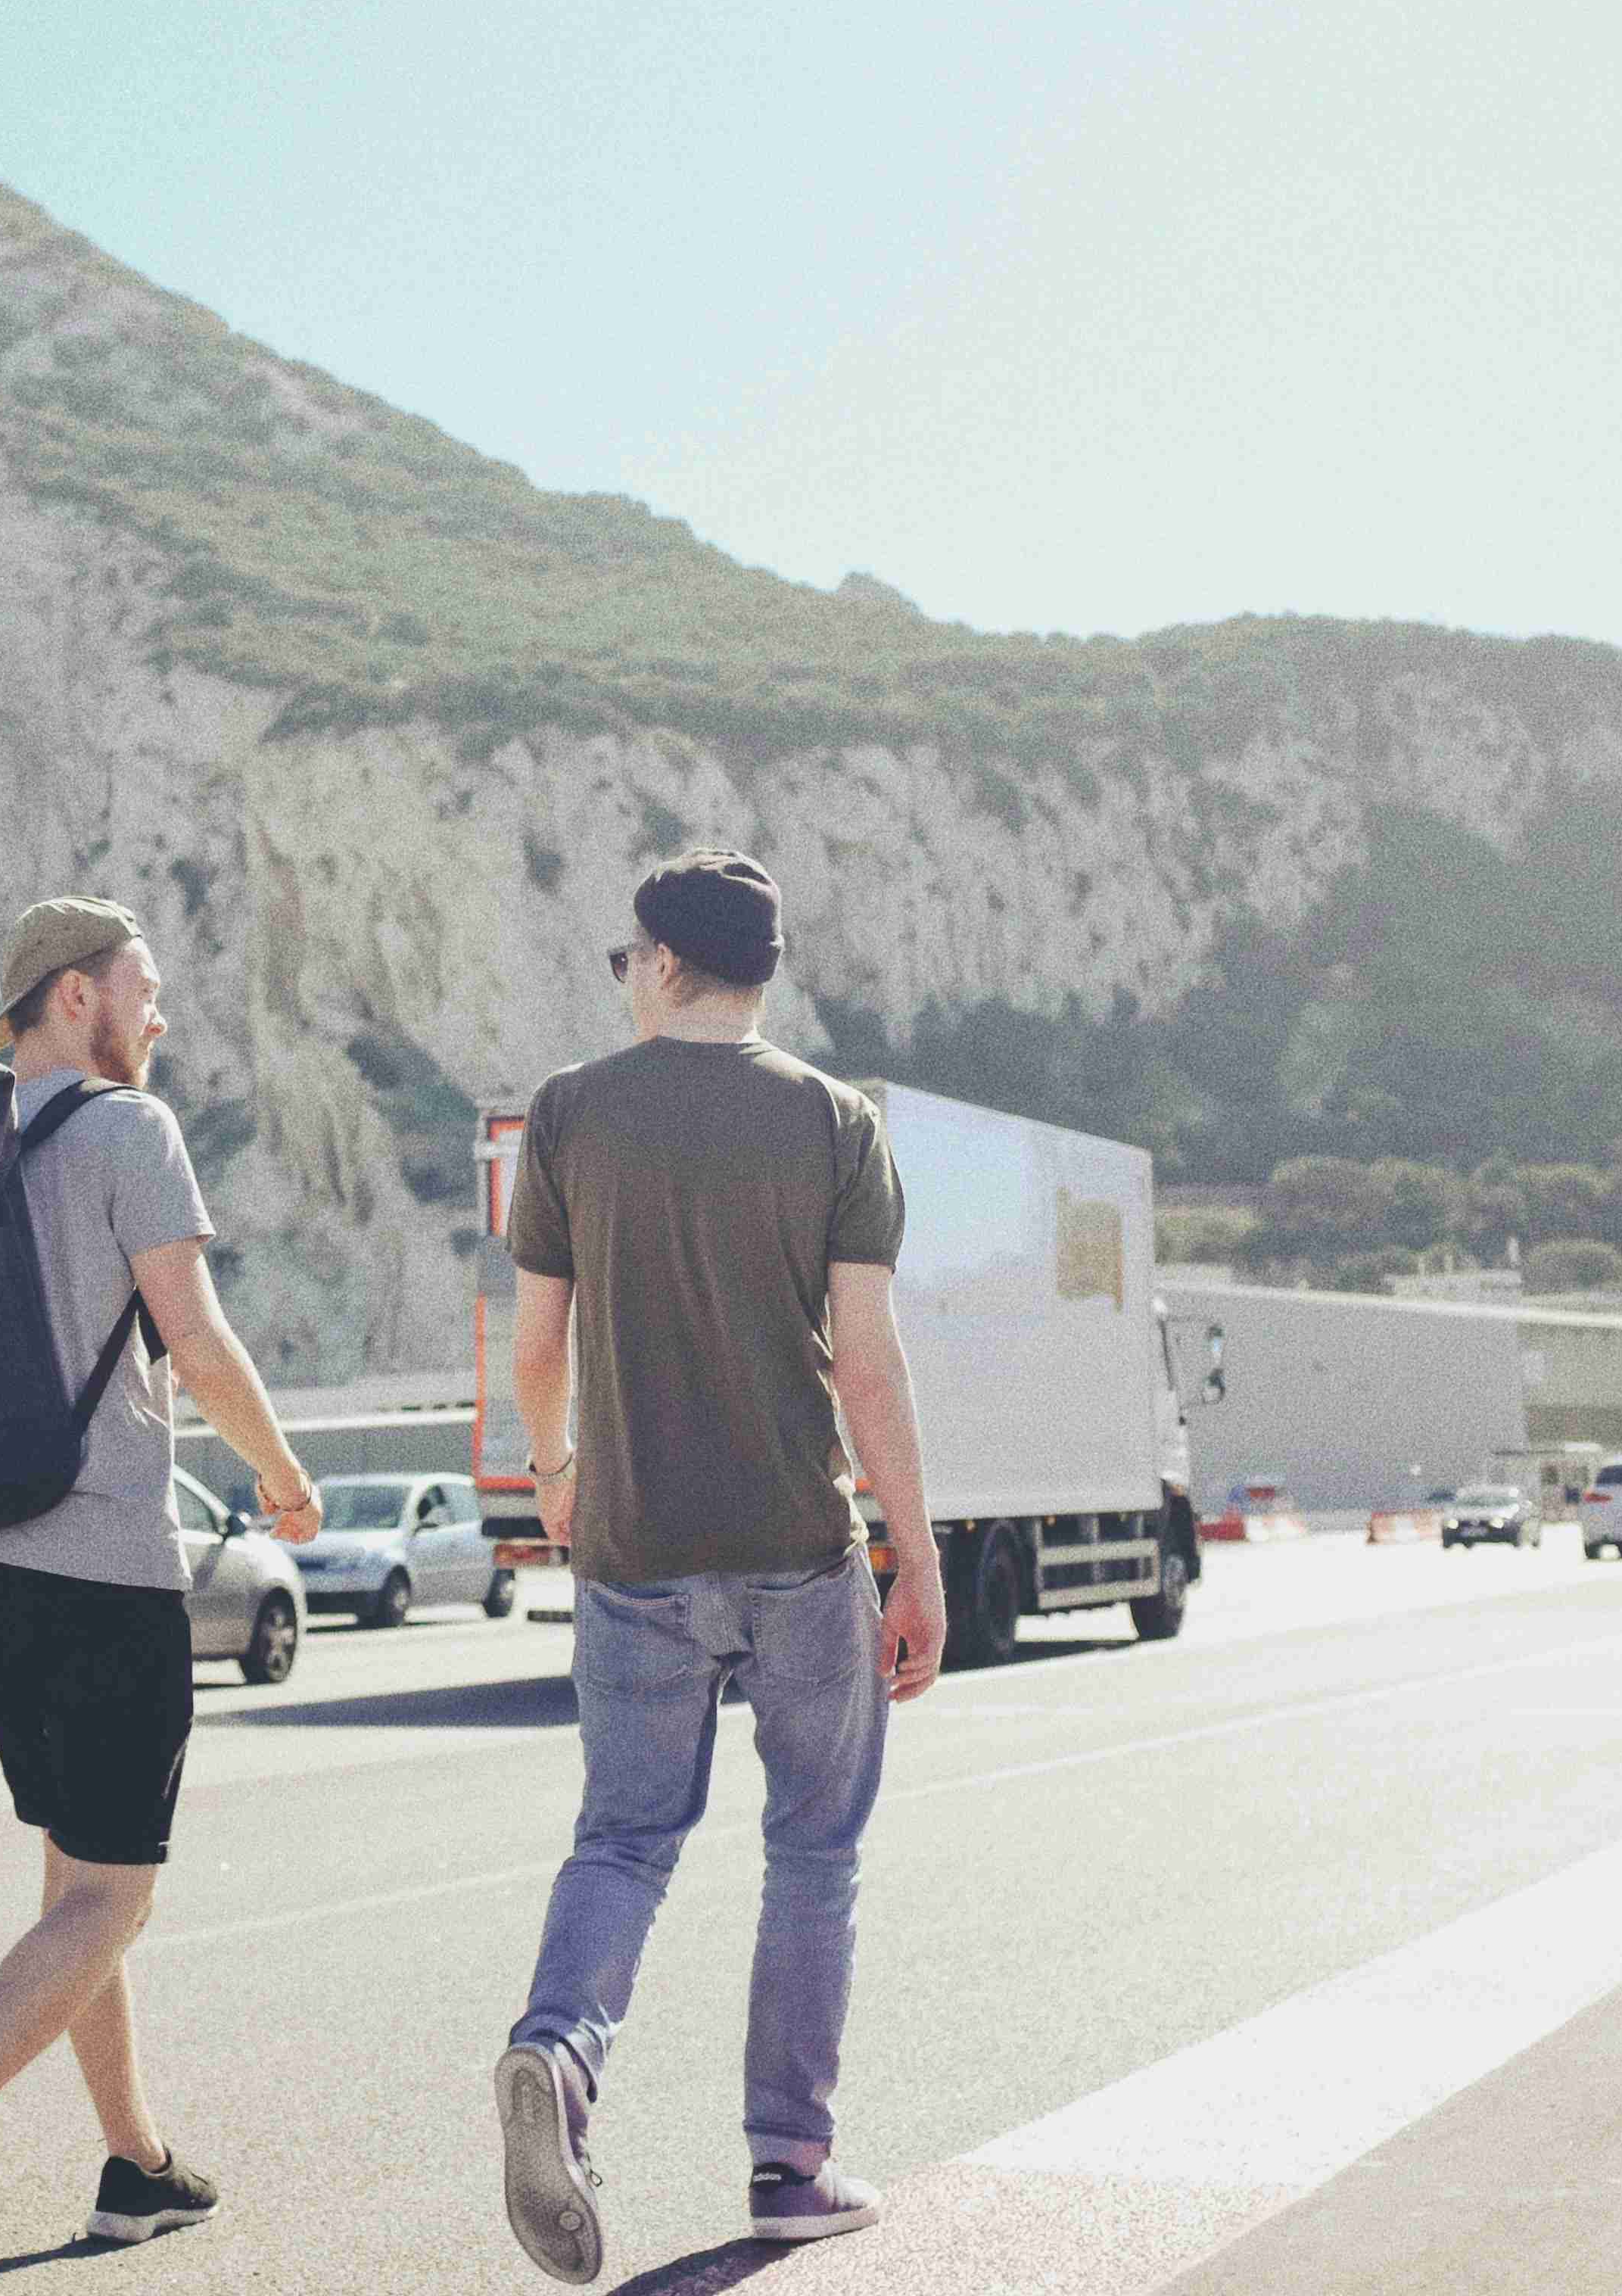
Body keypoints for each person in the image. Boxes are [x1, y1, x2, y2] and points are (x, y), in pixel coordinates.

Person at [0, 896, 326, 2296]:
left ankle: (135, 2162)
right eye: (141, 987)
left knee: (73, 1880)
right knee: (117, 1891)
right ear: (69, 997)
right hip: (102, 1556)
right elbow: (197, 1333)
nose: (159, 1013)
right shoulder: (126, 1129)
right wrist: (281, 1476)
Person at [492, 850, 950, 2282]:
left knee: (623, 1836)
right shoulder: (834, 1119)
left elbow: (535, 1343)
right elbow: (867, 1364)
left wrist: (558, 1471)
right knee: (812, 1850)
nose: (622, 978)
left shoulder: (570, 1112)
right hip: (798, 1542)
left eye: (625, 955)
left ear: (672, 963)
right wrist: (915, 1553)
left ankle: (559, 2053)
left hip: (633, 1549)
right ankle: (790, 2162)